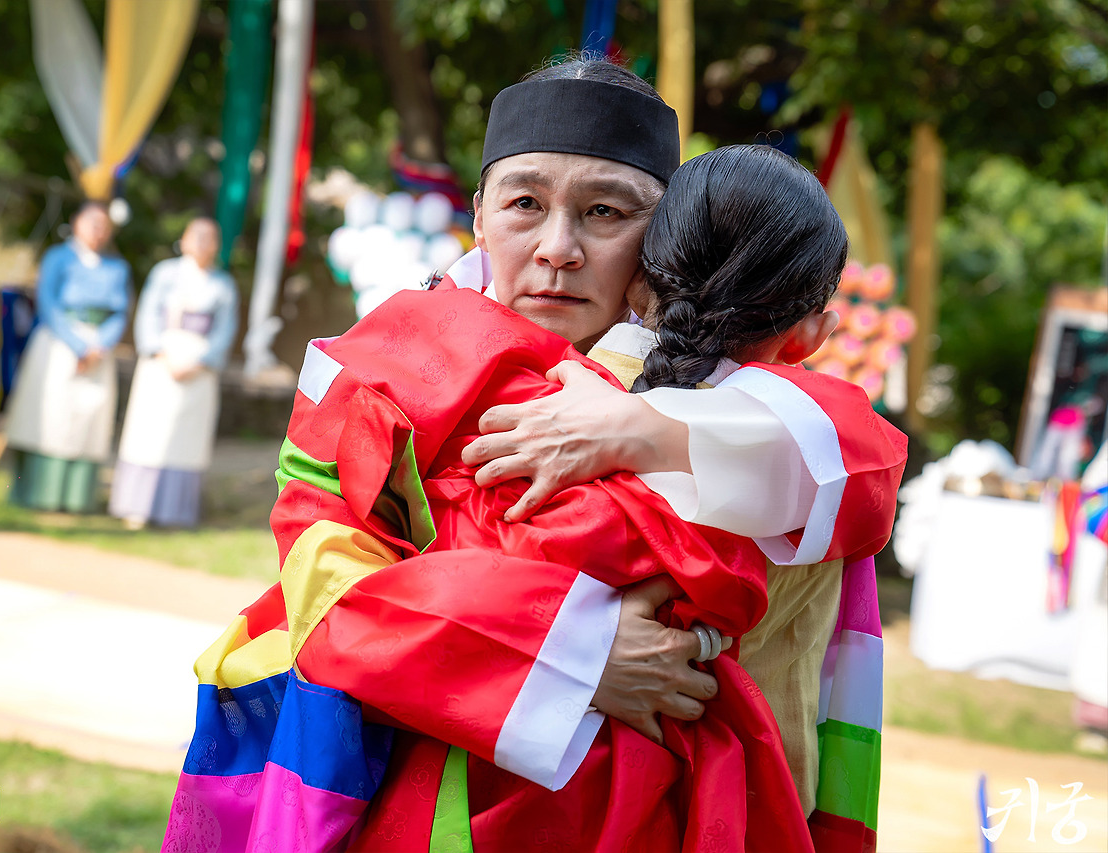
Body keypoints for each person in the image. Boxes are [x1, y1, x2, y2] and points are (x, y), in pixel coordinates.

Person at [163, 60, 905, 853]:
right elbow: (327, 588)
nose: (559, 247)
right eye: (524, 203)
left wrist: (642, 429)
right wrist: (580, 656)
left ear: (661, 242)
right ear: (478, 215)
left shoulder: (746, 404)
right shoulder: (375, 370)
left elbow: (862, 464)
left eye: (605, 211)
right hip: (426, 805)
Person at [109, 218, 239, 529]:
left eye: (210, 238)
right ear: (183, 240)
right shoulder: (165, 274)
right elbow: (148, 313)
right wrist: (160, 352)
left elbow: (225, 329)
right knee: (147, 433)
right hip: (161, 360)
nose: (202, 243)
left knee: (186, 438)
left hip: (199, 366)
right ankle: (134, 506)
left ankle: (176, 511)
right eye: (197, 236)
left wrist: (202, 360)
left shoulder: (223, 285)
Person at [4, 202, 131, 512]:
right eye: (92, 224)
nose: (98, 232)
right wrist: (77, 345)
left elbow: (121, 312)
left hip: (98, 350)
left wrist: (100, 345)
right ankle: (36, 493)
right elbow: (48, 301)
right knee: (50, 416)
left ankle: (75, 498)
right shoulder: (58, 258)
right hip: (60, 344)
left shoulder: (117, 268)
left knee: (89, 419)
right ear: (76, 224)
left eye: (104, 226)